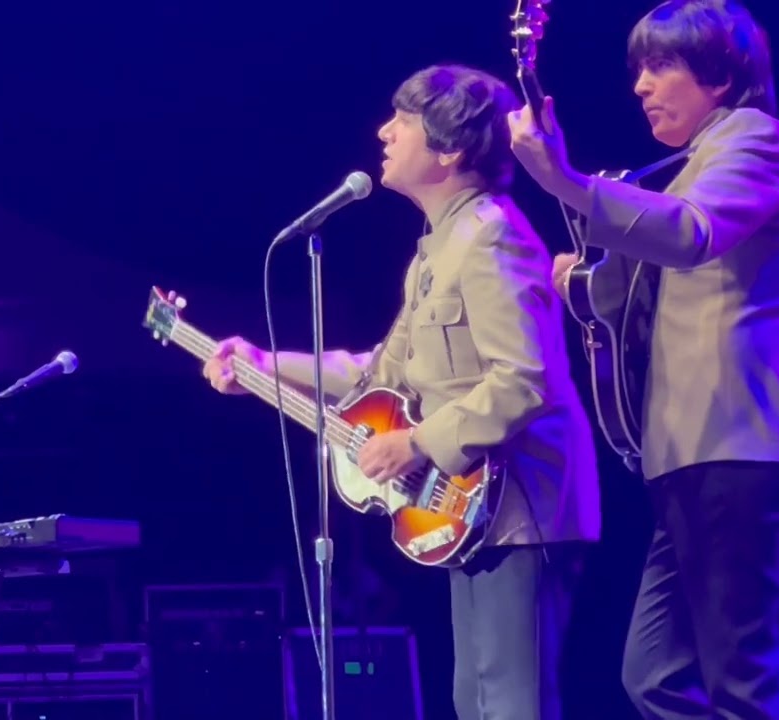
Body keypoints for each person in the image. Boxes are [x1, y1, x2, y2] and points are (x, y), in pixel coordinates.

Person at [203, 63, 600, 720]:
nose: (384, 131)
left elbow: (526, 378)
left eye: (404, 120)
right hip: (471, 514)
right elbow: (373, 375)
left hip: (525, 511)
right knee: (474, 701)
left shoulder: (492, 238)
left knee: (510, 703)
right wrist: (262, 363)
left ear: (450, 150)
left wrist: (416, 443)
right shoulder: (439, 248)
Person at [507, 1, 779, 718]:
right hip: (688, 450)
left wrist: (566, 181)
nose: (641, 86)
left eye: (661, 66)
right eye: (637, 71)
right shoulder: (690, 168)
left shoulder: (755, 138)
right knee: (654, 674)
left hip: (738, 440)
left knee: (741, 676)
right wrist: (575, 282)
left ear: (719, 74)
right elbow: (640, 295)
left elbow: (691, 235)